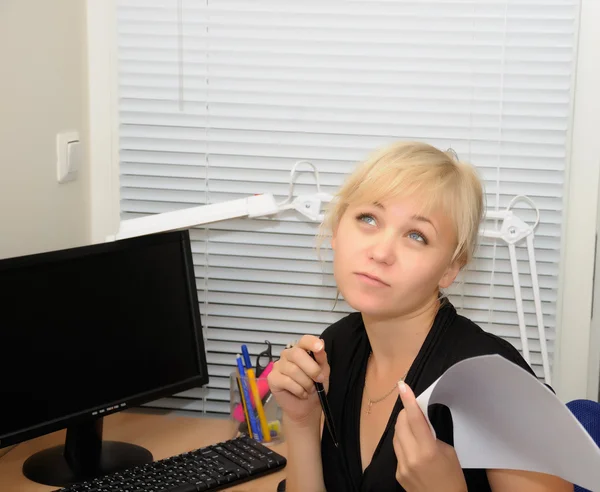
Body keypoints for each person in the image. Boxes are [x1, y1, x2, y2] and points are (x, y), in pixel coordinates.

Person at [267, 141, 573, 492]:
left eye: (416, 235)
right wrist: (302, 422)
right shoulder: (336, 346)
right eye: (368, 218)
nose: (381, 252)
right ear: (337, 230)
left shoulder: (497, 383)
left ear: (449, 270)